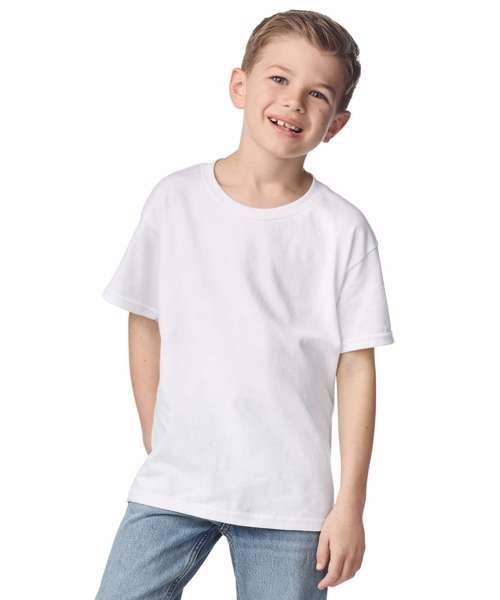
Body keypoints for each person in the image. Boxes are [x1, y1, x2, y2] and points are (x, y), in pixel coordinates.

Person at [95, 9, 394, 600]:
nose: (293, 102)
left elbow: (356, 366)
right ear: (240, 85)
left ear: (336, 123)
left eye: (318, 94)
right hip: (175, 485)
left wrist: (349, 506)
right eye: (279, 79)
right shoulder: (175, 200)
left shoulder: (342, 229)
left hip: (290, 502)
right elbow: (144, 318)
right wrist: (158, 437)